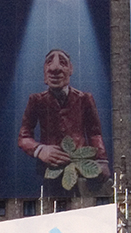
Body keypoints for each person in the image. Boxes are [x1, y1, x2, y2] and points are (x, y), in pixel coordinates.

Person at [17, 49, 109, 179]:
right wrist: (41, 150)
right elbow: (23, 137)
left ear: (70, 69)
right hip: (48, 169)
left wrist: (101, 160)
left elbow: (95, 133)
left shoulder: (84, 99)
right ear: (44, 71)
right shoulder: (36, 101)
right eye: (49, 62)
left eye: (63, 62)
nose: (55, 69)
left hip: (80, 168)